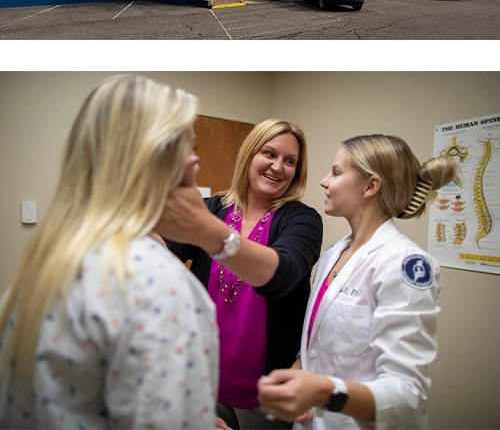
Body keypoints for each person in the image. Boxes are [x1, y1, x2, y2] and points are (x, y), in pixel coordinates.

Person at [0, 74, 228, 430]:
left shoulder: (46, 264)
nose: (196, 161)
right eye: (191, 147)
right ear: (167, 159)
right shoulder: (156, 285)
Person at [257, 133, 462, 430]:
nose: (324, 181)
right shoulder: (333, 255)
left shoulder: (404, 265)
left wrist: (325, 394)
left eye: (337, 172)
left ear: (371, 186)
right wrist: (298, 374)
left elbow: (408, 394)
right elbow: (318, 340)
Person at [157, 118, 324, 430]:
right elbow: (163, 252)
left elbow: (282, 273)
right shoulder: (212, 209)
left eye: (290, 161)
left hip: (269, 395)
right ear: (249, 156)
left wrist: (211, 235)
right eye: (269, 154)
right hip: (203, 383)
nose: (278, 167)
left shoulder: (301, 220)